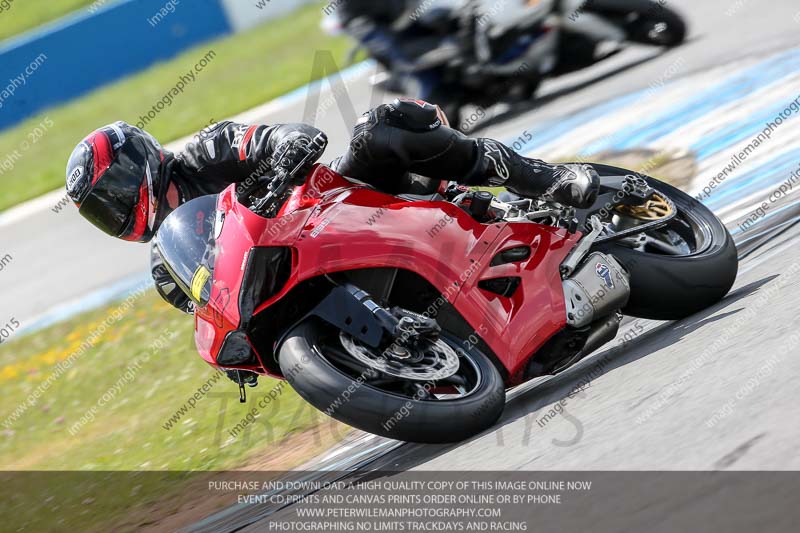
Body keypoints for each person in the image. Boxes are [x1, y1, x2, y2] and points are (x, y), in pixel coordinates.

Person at [65, 99, 598, 379]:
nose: (113, 211)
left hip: (337, 209)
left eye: (111, 193)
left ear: (137, 163)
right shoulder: (166, 265)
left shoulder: (208, 151)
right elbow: (208, 305)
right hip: (291, 281)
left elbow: (294, 137)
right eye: (99, 211)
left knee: (382, 126)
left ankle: (541, 178)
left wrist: (277, 166)